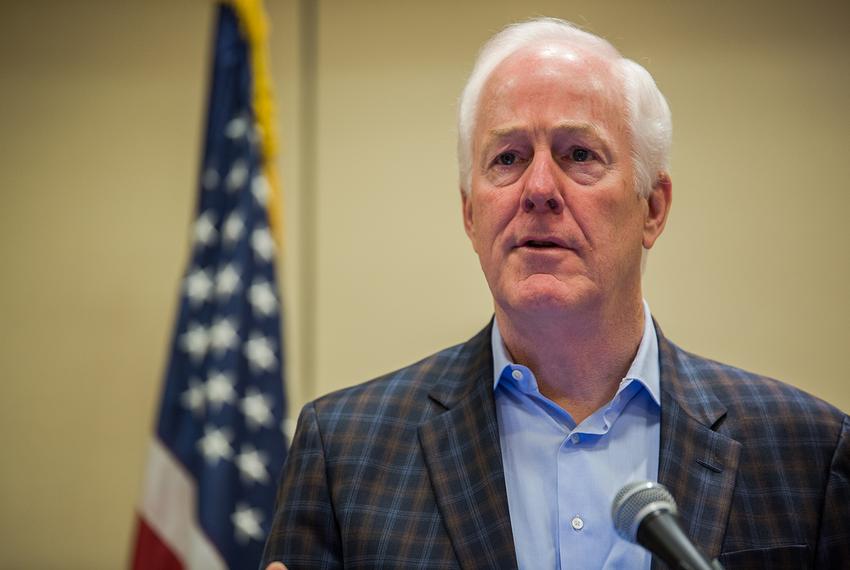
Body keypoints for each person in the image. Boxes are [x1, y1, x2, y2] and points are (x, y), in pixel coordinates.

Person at [261, 17, 849, 569]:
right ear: (470, 214)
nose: (539, 188)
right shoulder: (343, 454)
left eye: (579, 155)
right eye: (508, 158)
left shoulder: (807, 452)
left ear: (654, 206)